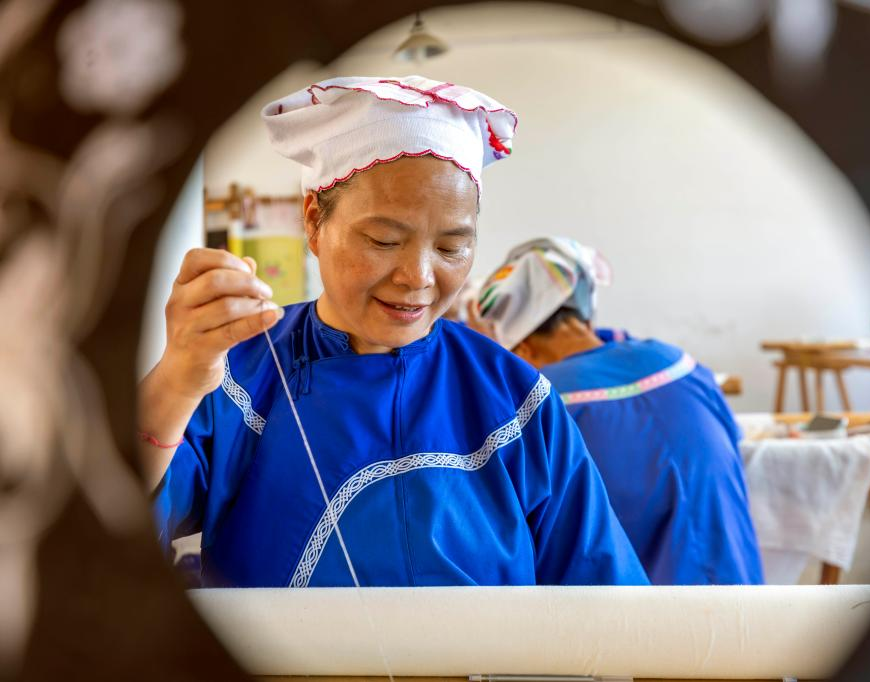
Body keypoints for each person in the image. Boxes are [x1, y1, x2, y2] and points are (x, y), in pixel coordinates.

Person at [139, 76, 648, 588]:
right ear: (314, 221)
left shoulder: (516, 402)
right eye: (384, 240)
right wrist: (178, 378)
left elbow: (606, 598)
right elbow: (124, 522)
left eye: (451, 248)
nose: (418, 278)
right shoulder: (240, 377)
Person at [474, 238, 763, 585]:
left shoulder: (541, 408)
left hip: (644, 612)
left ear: (520, 347)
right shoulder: (680, 365)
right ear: (585, 315)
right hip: (746, 596)